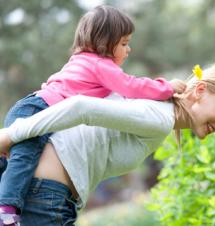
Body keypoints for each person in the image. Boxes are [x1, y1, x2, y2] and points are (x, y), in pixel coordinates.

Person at [0, 64, 215, 225]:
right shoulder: (159, 117)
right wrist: (10, 136)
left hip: (47, 195)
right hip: (46, 196)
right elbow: (80, 107)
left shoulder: (159, 112)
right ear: (200, 90)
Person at [0, 5, 186, 224]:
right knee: (24, 158)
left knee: (15, 159)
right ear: (105, 43)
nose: (129, 50)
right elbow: (131, 86)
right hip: (37, 109)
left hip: (32, 106)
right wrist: (167, 87)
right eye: (124, 43)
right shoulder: (100, 65)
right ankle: (6, 210)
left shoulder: (82, 61)